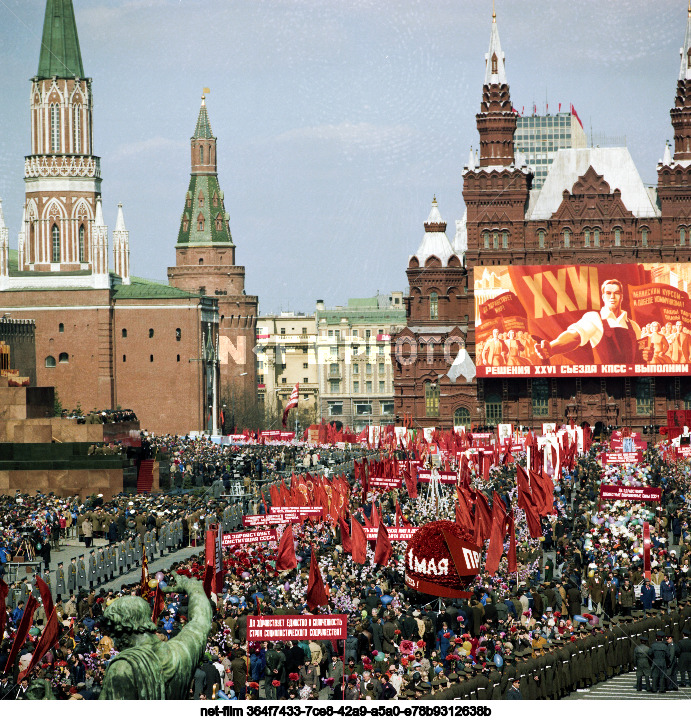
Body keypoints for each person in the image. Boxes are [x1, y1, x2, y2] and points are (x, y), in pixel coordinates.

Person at [99, 575, 212, 699]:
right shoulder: (180, 650)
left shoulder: (122, 668)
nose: (114, 640)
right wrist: (194, 588)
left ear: (123, 628)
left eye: (114, 631)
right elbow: (201, 620)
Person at [536, 279, 649, 365]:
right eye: (609, 293)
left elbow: (639, 358)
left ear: (621, 297)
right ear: (603, 297)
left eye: (617, 293)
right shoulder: (594, 318)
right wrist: (552, 348)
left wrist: (647, 356)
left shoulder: (634, 326)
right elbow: (574, 336)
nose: (612, 297)